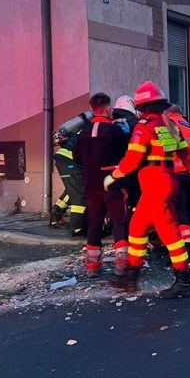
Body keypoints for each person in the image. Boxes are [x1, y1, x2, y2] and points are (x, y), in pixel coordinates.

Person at [104, 81, 190, 297]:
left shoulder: (144, 127)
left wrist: (114, 176)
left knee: (171, 235)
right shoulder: (170, 125)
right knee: (137, 229)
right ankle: (130, 277)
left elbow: (133, 159)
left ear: (142, 107)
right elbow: (185, 154)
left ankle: (183, 282)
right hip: (166, 181)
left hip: (155, 185)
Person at [73, 93, 130, 277]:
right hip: (111, 182)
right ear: (108, 109)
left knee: (94, 222)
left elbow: (77, 158)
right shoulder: (114, 131)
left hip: (91, 184)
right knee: (119, 220)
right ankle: (122, 263)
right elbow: (127, 154)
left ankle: (92, 265)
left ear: (92, 109)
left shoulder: (83, 132)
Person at [167, 104, 190, 262]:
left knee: (172, 215)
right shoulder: (189, 128)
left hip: (172, 174)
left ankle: (178, 252)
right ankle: (189, 249)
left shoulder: (168, 125)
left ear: (169, 113)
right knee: (185, 214)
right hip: (188, 174)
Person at [50, 131, 86, 237]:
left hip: (64, 158)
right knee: (79, 193)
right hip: (70, 159)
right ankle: (77, 228)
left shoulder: (87, 127)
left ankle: (56, 214)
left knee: (72, 189)